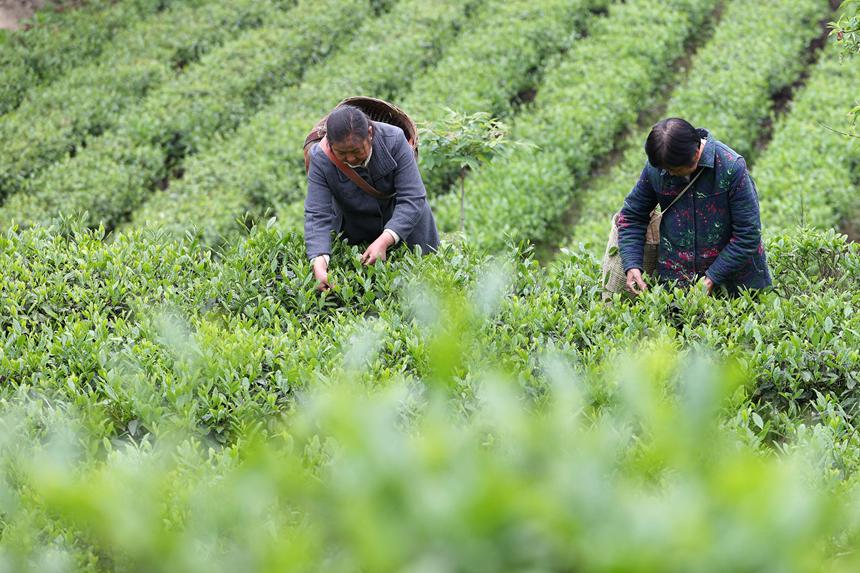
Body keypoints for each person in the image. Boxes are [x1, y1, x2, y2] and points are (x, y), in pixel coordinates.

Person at [617, 118, 771, 296]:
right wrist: (632, 264)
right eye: (664, 169)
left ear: (696, 155)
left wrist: (712, 277)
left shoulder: (731, 167)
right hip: (677, 286)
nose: (668, 174)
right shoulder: (658, 167)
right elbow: (632, 216)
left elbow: (748, 235)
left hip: (736, 286)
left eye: (673, 170)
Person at [304, 105, 439, 291]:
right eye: (342, 153)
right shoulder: (320, 157)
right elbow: (317, 213)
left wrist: (385, 239)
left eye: (356, 151)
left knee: (426, 287)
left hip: (407, 225)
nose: (350, 159)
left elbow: (413, 197)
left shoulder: (395, 139)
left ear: (369, 133)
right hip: (355, 228)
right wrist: (319, 260)